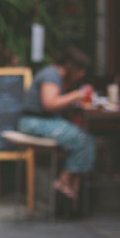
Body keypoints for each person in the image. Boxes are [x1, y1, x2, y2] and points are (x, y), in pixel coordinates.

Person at [18, 47, 94, 201]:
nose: (82, 74)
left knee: (84, 138)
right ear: (69, 65)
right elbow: (49, 104)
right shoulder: (51, 75)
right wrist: (76, 95)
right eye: (79, 69)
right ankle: (65, 180)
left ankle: (70, 186)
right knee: (82, 138)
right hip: (33, 122)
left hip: (43, 121)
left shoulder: (55, 75)